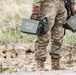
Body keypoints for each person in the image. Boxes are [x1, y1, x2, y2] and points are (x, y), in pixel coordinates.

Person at [31, 0, 76, 71]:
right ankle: (40, 64)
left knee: (59, 35)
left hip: (62, 5)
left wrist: (72, 5)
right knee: (44, 34)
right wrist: (35, 7)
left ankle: (55, 64)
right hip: (47, 4)